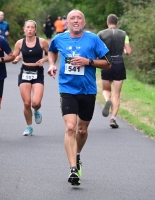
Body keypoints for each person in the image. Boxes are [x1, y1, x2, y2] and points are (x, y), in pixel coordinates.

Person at [47, 9, 111, 186]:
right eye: (72, 18)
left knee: (82, 130)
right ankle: (73, 169)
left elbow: (108, 62)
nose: (75, 21)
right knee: (70, 127)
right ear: (67, 22)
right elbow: (51, 51)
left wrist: (88, 62)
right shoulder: (60, 38)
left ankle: (77, 155)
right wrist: (52, 64)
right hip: (67, 89)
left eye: (79, 18)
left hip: (88, 90)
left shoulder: (93, 39)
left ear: (83, 22)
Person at [12, 20, 49, 136]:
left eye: (32, 27)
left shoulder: (42, 42)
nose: (30, 29)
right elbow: (14, 56)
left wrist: (44, 60)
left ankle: (37, 110)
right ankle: (29, 126)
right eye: (27, 27)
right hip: (25, 72)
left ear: (35, 30)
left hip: (38, 73)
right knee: (27, 103)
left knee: (36, 102)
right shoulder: (19, 43)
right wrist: (16, 59)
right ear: (24, 29)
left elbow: (52, 54)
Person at [97, 14, 132, 128]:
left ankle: (107, 100)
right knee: (116, 94)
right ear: (117, 23)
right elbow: (129, 51)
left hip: (106, 64)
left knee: (106, 89)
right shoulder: (123, 34)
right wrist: (125, 51)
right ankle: (113, 118)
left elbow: (96, 49)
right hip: (119, 64)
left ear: (107, 23)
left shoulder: (101, 34)